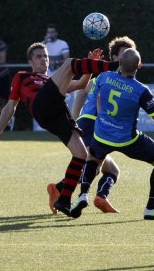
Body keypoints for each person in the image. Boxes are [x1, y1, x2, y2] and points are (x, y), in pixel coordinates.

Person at [0, 42, 120, 217]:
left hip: (57, 115)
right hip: (41, 105)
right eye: (38, 56)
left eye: (46, 56)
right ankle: (116, 65)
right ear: (31, 62)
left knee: (81, 155)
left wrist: (89, 65)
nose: (43, 59)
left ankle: (63, 199)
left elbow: (80, 84)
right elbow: (10, 106)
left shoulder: (53, 81)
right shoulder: (23, 76)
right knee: (70, 62)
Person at [68, 48, 154, 220]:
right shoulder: (141, 90)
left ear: (119, 63)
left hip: (102, 133)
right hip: (128, 139)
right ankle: (151, 208)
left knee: (93, 160)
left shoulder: (104, 77)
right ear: (139, 66)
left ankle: (82, 196)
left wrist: (103, 121)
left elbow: (97, 99)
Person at [47, 36, 137, 214]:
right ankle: (61, 189)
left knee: (111, 169)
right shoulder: (106, 77)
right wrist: (74, 120)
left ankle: (100, 196)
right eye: (123, 54)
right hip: (92, 124)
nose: (128, 57)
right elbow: (82, 92)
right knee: (93, 167)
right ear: (113, 58)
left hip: (98, 126)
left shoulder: (120, 80)